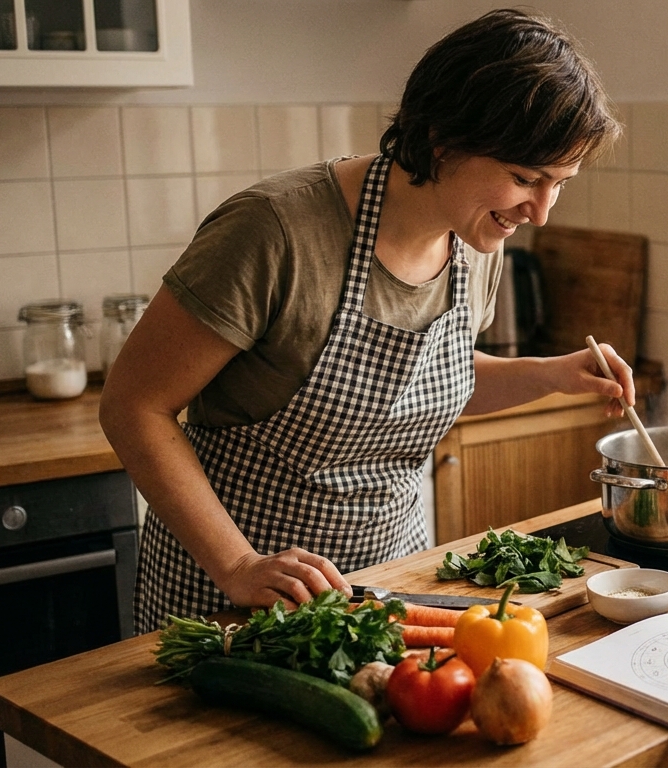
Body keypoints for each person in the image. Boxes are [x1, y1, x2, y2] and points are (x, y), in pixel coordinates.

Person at [99, 8, 635, 635]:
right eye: (525, 179)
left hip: (387, 584)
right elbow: (133, 404)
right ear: (443, 141)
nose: (540, 212)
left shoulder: (476, 239)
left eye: (558, 184)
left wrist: (550, 375)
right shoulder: (274, 233)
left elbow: (423, 383)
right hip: (240, 596)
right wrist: (238, 564)